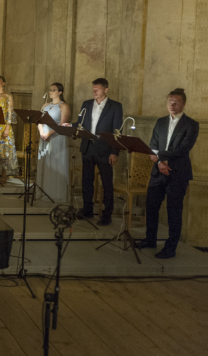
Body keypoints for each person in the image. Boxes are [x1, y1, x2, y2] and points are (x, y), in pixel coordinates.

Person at [138, 88, 199, 259]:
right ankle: (150, 239)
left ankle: (170, 248)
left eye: (176, 102)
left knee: (174, 211)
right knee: (151, 207)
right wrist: (159, 162)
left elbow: (183, 149)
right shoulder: (161, 122)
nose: (171, 105)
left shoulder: (191, 124)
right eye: (169, 102)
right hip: (159, 171)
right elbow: (153, 143)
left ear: (183, 104)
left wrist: (160, 157)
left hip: (178, 173)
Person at [64, 78, 123, 226]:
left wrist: (114, 152)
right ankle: (87, 210)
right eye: (93, 89)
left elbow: (118, 131)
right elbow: (80, 124)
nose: (94, 91)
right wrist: (70, 125)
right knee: (86, 181)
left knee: (107, 183)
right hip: (88, 147)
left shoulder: (115, 106)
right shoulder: (86, 104)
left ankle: (106, 214)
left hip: (105, 149)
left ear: (106, 90)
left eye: (97, 89)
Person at [35, 83, 71, 202]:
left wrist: (48, 133)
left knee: (56, 164)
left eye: (54, 90)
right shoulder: (45, 105)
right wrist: (41, 132)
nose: (51, 92)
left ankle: (56, 195)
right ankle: (43, 192)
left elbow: (63, 125)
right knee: (45, 164)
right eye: (50, 90)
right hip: (43, 136)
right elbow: (39, 121)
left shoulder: (63, 106)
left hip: (56, 137)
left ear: (60, 92)